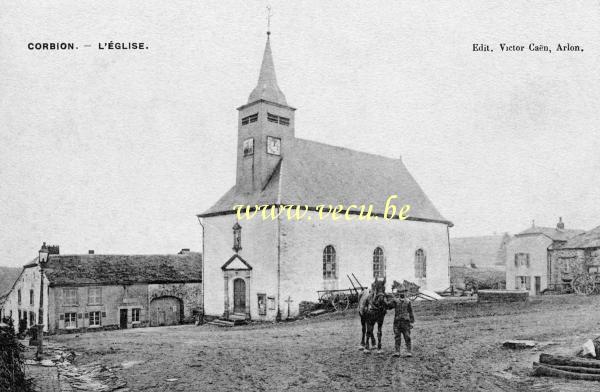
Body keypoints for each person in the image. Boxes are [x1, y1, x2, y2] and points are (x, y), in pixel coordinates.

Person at [389, 284, 414, 357]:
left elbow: (411, 312)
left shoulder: (408, 301)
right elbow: (389, 306)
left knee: (407, 337)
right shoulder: (395, 301)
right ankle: (397, 351)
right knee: (397, 337)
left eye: (403, 292)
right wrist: (388, 300)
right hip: (397, 322)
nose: (401, 293)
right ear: (398, 293)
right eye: (400, 292)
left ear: (405, 292)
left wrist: (412, 322)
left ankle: (409, 351)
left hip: (406, 322)